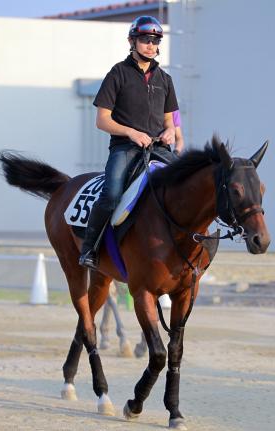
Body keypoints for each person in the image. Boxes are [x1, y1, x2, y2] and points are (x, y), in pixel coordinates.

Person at [79, 16, 180, 269]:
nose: (150, 45)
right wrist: (131, 133)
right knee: (111, 195)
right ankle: (90, 249)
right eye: (145, 39)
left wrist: (170, 132)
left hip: (159, 148)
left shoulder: (165, 79)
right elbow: (102, 121)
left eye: (155, 40)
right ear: (131, 41)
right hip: (125, 148)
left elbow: (170, 120)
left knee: (186, 185)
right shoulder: (117, 73)